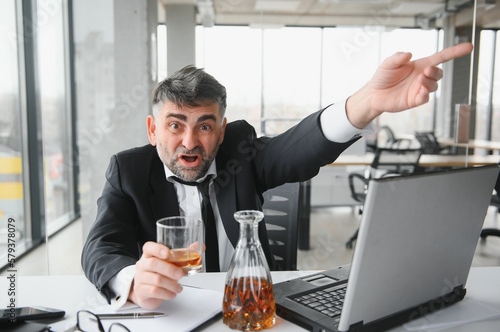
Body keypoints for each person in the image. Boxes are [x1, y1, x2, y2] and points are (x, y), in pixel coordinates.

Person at [81, 42, 473, 310]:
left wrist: (365, 104)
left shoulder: (240, 151)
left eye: (204, 126)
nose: (190, 141)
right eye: (175, 125)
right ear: (152, 130)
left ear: (221, 129)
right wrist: (130, 279)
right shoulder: (128, 169)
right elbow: (100, 247)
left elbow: (298, 150)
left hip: (253, 310)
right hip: (170, 313)